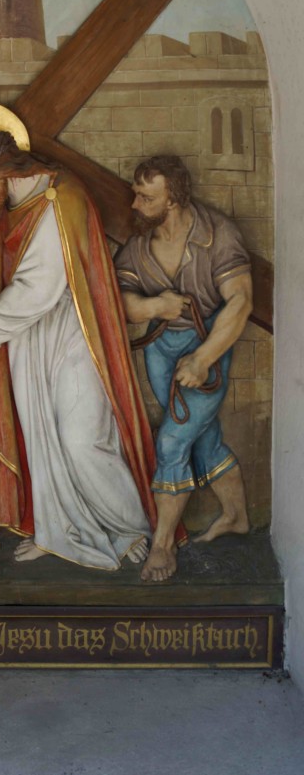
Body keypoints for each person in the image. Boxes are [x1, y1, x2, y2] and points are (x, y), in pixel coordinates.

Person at [0, 101, 158, 572]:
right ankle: (58, 531)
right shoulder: (7, 205)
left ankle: (128, 527)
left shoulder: (62, 196)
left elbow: (42, 284)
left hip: (74, 334)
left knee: (82, 438)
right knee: (39, 437)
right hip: (26, 341)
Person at [114, 155, 252, 583]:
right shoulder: (139, 244)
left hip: (208, 345)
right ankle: (236, 516)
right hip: (160, 350)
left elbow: (241, 300)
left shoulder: (216, 234)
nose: (135, 204)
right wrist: (155, 306)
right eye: (136, 194)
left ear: (172, 199)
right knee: (202, 438)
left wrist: (203, 358)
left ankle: (163, 544)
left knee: (173, 441)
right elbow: (119, 299)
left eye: (146, 197)